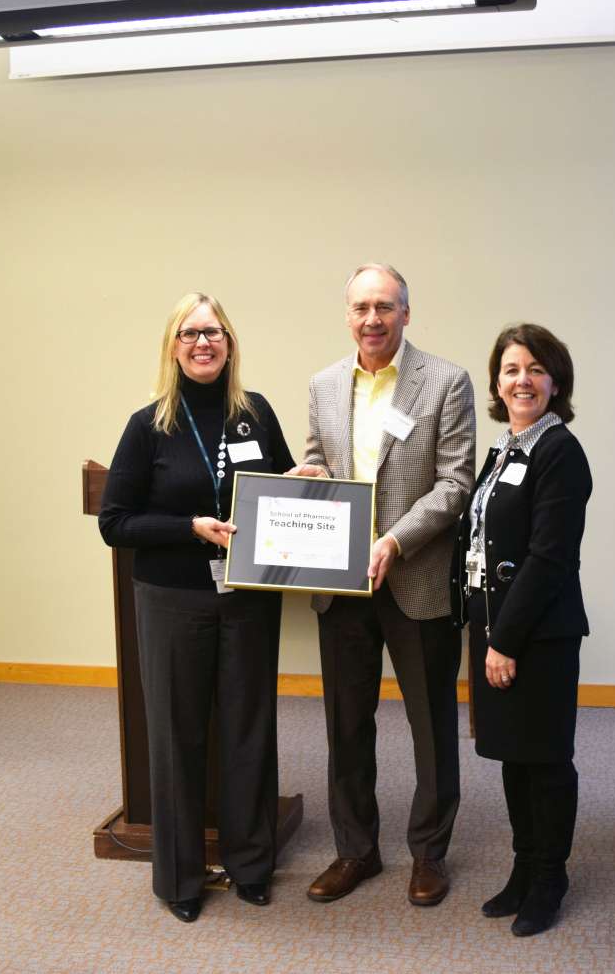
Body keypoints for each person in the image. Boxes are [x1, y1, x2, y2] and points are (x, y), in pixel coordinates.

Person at [99, 292, 294, 922]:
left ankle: (251, 864)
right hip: (174, 601)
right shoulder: (147, 424)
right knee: (177, 738)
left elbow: (284, 488)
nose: (202, 343)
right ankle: (180, 878)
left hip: (248, 599)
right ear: (172, 346)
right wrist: (190, 526)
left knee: (248, 731)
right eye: (189, 334)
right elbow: (116, 522)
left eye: (213, 331)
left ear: (230, 342)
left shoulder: (256, 414)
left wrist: (305, 489)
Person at [289, 263, 475, 907]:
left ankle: (429, 853)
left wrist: (393, 541)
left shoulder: (446, 381)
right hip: (340, 583)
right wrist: (303, 479)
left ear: (405, 313)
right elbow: (321, 462)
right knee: (346, 723)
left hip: (415, 577)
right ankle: (356, 851)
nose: (373, 319)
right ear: (348, 315)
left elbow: (455, 485)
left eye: (386, 307)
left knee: (430, 724)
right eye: (362, 308)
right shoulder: (322, 384)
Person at [450, 323, 592, 937]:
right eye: (511, 369)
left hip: (537, 636)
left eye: (535, 369)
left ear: (554, 382)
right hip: (495, 628)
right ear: (497, 384)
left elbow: (549, 558)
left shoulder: (560, 452)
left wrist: (504, 640)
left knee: (547, 758)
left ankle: (551, 875)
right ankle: (523, 867)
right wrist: (484, 631)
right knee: (513, 754)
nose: (522, 380)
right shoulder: (507, 449)